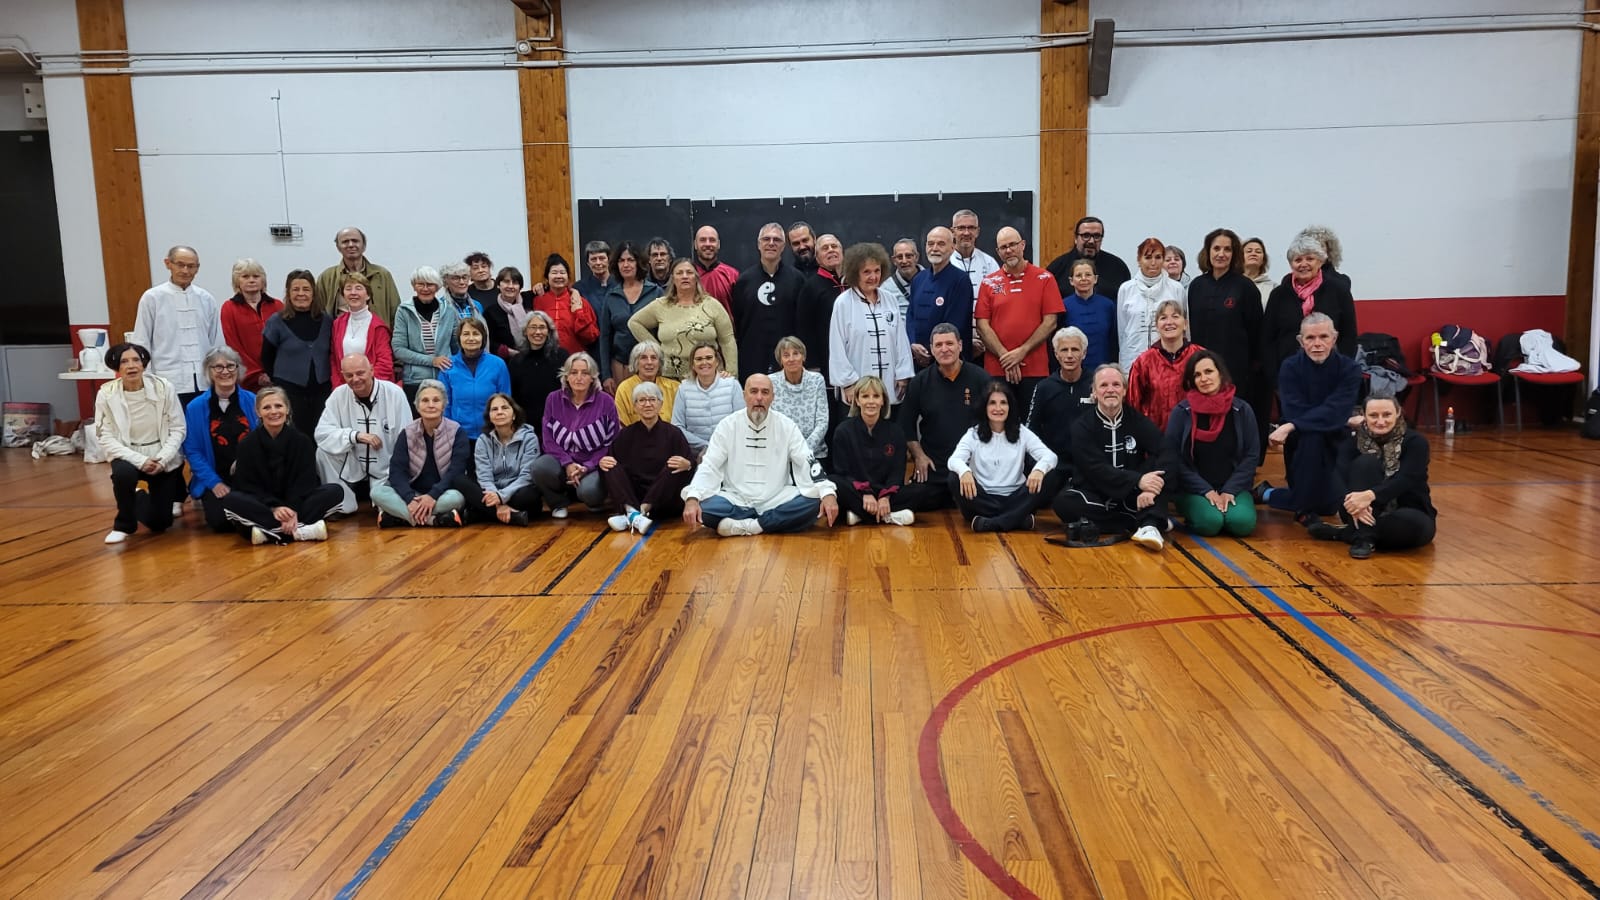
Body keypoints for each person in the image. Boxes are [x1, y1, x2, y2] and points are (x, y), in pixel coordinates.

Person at [681, 374, 840, 535]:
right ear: (744, 395)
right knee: (702, 506)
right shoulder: (727, 425)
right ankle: (771, 523)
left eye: (765, 392)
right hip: (736, 500)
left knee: (815, 502)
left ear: (772, 397)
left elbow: (807, 460)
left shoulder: (786, 425)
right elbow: (710, 465)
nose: (759, 398)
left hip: (777, 498)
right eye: (753, 391)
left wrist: (826, 491)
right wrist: (693, 498)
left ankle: (752, 526)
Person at [1253, 313, 1363, 526]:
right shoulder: (1290, 367)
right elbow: (1295, 410)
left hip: (1336, 439)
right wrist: (1338, 419)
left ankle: (1269, 493)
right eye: (1310, 338)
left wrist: (1291, 425)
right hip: (1302, 443)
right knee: (1313, 436)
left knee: (1329, 505)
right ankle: (1301, 507)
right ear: (1300, 341)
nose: (1317, 344)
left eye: (1323, 337)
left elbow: (1337, 409)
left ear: (1334, 338)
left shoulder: (1350, 369)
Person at [1053, 364, 1174, 551]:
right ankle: (1145, 520)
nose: (1110, 390)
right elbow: (1095, 469)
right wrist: (1138, 480)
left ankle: (1149, 526)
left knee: (1159, 476)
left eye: (1116, 385)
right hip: (1096, 492)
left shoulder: (1137, 420)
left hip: (1133, 493)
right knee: (1064, 503)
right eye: (1103, 385)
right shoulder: (1081, 426)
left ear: (1124, 391)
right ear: (1094, 392)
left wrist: (1149, 488)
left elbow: (1167, 450)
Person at [1309, 394, 1436, 559]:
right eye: (1374, 415)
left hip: (1408, 509)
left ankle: (1348, 534)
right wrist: (1356, 503)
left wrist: (1370, 496)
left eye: (1387, 415)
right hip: (1356, 511)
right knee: (1366, 463)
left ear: (1398, 413)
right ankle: (1363, 539)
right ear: (1364, 415)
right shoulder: (1351, 443)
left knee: (1412, 527)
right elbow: (1339, 479)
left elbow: (1407, 479)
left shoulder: (1416, 442)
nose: (1380, 421)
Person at [219, 386, 342, 543]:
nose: (273, 411)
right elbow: (247, 485)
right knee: (232, 499)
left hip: (297, 504)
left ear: (287, 409)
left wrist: (292, 509)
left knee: (335, 491)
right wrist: (274, 507)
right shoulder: (246, 445)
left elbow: (306, 482)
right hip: (264, 504)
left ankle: (269, 533)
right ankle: (300, 531)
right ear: (258, 412)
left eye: (278, 406)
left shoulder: (302, 441)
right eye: (266, 407)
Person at [96, 342, 186, 544]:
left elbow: (178, 428)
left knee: (160, 523)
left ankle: (137, 496)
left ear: (144, 364)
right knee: (123, 474)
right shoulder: (106, 393)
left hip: (160, 454)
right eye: (124, 361)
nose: (131, 366)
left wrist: (163, 458)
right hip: (127, 454)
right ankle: (124, 525)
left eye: (136, 360)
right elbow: (104, 436)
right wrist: (140, 460)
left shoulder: (164, 387)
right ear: (117, 367)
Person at [1188, 227, 1267, 458]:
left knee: (1233, 425)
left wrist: (1253, 368)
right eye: (1216, 248)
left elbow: (1256, 331)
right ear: (1207, 252)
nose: (1221, 254)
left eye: (1227, 249)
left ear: (1234, 255)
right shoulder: (1196, 286)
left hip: (1236, 371)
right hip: (1202, 370)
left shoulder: (1245, 287)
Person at [1164, 350, 1259, 537]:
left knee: (1242, 523)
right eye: (1197, 375)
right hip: (1193, 489)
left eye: (1209, 372)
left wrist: (1230, 490)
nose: (1204, 379)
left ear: (1220, 374)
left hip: (1233, 487)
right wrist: (1206, 490)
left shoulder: (1242, 410)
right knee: (1210, 523)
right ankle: (1201, 510)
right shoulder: (1181, 412)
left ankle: (1227, 508)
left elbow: (1251, 455)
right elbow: (1173, 457)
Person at [898, 323, 990, 511]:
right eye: (938, 345)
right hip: (934, 466)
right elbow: (906, 425)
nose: (944, 349)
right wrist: (919, 456)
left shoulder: (980, 378)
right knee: (911, 497)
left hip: (970, 465)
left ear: (960, 345)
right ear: (932, 349)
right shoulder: (920, 381)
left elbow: (995, 423)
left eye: (949, 343)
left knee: (987, 497)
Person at [948, 380, 1057, 533]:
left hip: (1015, 498)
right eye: (992, 403)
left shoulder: (1022, 432)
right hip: (983, 499)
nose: (998, 408)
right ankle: (1016, 519)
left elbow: (1050, 456)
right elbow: (954, 460)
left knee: (1049, 474)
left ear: (1009, 406)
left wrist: (1039, 470)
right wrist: (964, 472)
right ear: (985, 407)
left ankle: (993, 523)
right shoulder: (973, 434)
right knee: (954, 477)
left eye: (1003, 403)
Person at [314, 353, 414, 516]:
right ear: (342, 375)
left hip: (386, 466)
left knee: (388, 505)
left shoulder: (394, 393)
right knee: (323, 452)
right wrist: (355, 436)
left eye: (360, 373)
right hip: (353, 461)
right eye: (349, 375)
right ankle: (341, 504)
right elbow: (322, 434)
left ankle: (386, 505)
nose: (355, 379)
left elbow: (407, 438)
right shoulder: (338, 395)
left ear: (371, 370)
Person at [975, 227, 1065, 405]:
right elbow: (982, 326)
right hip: (997, 368)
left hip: (1035, 369)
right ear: (998, 252)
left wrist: (1021, 352)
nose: (1008, 250)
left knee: (1032, 420)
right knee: (998, 418)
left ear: (1022, 245)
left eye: (1012, 245)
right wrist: (1006, 357)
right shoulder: (988, 283)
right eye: (1003, 247)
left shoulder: (1045, 278)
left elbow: (1050, 322)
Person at [1262, 230, 1358, 385]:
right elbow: (1268, 339)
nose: (1303, 264)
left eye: (1310, 258)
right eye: (1298, 260)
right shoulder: (1279, 294)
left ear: (1320, 261)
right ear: (1291, 264)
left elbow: (1349, 335)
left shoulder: (1338, 290)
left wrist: (1342, 370)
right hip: (1289, 375)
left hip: (1331, 373)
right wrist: (1275, 377)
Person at [132, 245, 223, 407]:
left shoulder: (206, 298)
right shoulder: (152, 298)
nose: (185, 271)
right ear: (168, 264)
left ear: (197, 268)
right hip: (166, 380)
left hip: (203, 381)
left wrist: (219, 376)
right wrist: (145, 379)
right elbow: (141, 341)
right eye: (180, 265)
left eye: (191, 266)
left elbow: (214, 341)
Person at [600, 381, 696, 534]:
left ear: (660, 404)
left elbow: (691, 464)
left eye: (652, 399)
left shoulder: (673, 433)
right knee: (609, 465)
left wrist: (688, 464)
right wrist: (603, 462)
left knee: (675, 465)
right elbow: (612, 466)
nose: (647, 404)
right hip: (634, 495)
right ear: (635, 406)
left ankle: (638, 513)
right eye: (642, 400)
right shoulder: (625, 435)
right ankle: (632, 511)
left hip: (665, 499)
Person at [829, 242, 915, 409]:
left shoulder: (890, 299)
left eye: (877, 271)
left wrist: (903, 373)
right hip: (858, 388)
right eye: (866, 272)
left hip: (890, 386)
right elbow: (837, 346)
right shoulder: (843, 303)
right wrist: (848, 383)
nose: (873, 277)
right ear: (855, 273)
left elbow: (901, 340)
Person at [372, 380, 468, 528]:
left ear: (444, 405)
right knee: (377, 492)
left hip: (442, 494)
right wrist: (409, 499)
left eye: (436, 400)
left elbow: (456, 471)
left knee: (456, 498)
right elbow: (396, 472)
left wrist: (432, 495)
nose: (431, 405)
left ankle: (403, 517)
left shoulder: (457, 432)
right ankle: (431, 520)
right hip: (412, 494)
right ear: (417, 405)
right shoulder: (407, 433)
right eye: (425, 400)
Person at [533, 352, 618, 517]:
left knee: (589, 492)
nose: (579, 378)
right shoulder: (553, 399)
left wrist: (588, 466)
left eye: (584, 373)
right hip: (562, 462)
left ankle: (590, 499)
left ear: (592, 377)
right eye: (573, 372)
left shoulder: (606, 401)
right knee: (540, 467)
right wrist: (567, 463)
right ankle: (558, 503)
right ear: (566, 376)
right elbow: (548, 440)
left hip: (593, 464)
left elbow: (611, 442)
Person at [182, 347, 258, 532]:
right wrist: (214, 483)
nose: (225, 371)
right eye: (218, 367)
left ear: (238, 369)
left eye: (231, 366)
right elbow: (192, 451)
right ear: (209, 371)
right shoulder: (195, 407)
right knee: (220, 523)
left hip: (249, 475)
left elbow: (261, 442)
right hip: (215, 477)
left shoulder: (253, 401)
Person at [628, 257, 737, 382]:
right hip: (670, 379)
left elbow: (727, 340)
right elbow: (634, 323)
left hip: (708, 379)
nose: (685, 276)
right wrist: (658, 350)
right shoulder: (661, 305)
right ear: (673, 279)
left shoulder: (712, 305)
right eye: (679, 273)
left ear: (696, 278)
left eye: (689, 272)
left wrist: (731, 374)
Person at [829, 376, 914, 526]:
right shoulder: (843, 431)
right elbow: (842, 472)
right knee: (833, 482)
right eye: (865, 396)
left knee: (922, 491)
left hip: (885, 491)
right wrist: (865, 493)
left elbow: (897, 472)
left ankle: (861, 515)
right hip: (856, 491)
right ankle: (888, 517)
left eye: (876, 396)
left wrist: (885, 496)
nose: (871, 401)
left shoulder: (896, 432)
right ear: (857, 400)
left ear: (883, 401)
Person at [731, 223, 808, 382]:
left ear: (783, 246)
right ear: (759, 244)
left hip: (788, 361)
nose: (771, 243)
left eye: (777, 240)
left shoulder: (798, 280)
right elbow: (738, 322)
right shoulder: (744, 281)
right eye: (766, 239)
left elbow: (803, 322)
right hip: (752, 361)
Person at [260, 269, 332, 436]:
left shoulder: (327, 321)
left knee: (322, 435)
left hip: (322, 392)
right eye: (295, 289)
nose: (301, 294)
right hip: (289, 392)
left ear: (313, 293)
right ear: (288, 293)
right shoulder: (276, 321)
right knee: (296, 437)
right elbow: (266, 356)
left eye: (306, 289)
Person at [1027, 327, 1095, 478]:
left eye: (1075, 349)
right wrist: (1038, 464)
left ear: (1084, 353)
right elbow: (1031, 430)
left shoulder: (1096, 384)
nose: (1069, 355)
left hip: (1090, 464)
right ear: (1056, 354)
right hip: (1054, 465)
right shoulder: (1044, 387)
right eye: (1064, 350)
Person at [465, 392, 541, 526]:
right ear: (490, 417)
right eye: (494, 409)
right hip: (492, 492)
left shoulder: (529, 438)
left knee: (530, 494)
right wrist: (498, 501)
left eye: (504, 408)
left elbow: (526, 476)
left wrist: (502, 497)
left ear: (514, 415)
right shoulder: (483, 440)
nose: (499, 412)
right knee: (460, 480)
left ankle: (481, 514)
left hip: (517, 491)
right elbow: (484, 477)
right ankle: (512, 516)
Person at [1127, 300, 1203, 430]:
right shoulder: (1144, 362)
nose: (1169, 322)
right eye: (1163, 318)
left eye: (1175, 316)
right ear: (1157, 326)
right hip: (1155, 434)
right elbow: (1133, 404)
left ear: (1185, 324)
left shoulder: (1200, 357)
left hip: (1194, 432)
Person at [598, 241, 664, 388]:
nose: (626, 265)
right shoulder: (611, 296)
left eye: (630, 260)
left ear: (639, 263)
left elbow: (664, 331)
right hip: (620, 366)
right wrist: (606, 375)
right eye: (621, 261)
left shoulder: (656, 292)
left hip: (651, 365)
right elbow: (605, 337)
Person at [392, 266, 462, 403]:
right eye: (420, 284)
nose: (425, 289)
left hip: (445, 378)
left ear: (437, 287)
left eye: (430, 284)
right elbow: (399, 350)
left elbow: (457, 347)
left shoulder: (449, 311)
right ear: (414, 286)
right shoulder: (403, 311)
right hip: (414, 381)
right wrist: (432, 361)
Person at [905, 226, 973, 367]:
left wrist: (931, 350)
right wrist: (912, 344)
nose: (934, 248)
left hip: (947, 360)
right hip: (917, 358)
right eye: (930, 244)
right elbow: (910, 316)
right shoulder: (918, 279)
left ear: (952, 248)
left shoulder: (960, 280)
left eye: (941, 244)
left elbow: (956, 324)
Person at [1117, 237, 1186, 374]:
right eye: (1148, 257)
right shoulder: (1126, 289)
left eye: (1158, 257)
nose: (1153, 263)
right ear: (1139, 260)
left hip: (1169, 360)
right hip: (1133, 360)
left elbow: (1183, 328)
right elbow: (1122, 331)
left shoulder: (1176, 289)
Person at [438, 317, 511, 439]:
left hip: (492, 434)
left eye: (476, 334)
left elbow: (505, 399)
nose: (471, 338)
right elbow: (445, 404)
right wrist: (449, 432)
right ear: (459, 338)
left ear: (483, 338)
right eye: (466, 334)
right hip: (459, 435)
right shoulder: (448, 366)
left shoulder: (498, 364)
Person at [219, 258, 282, 389]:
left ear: (263, 280)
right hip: (249, 380)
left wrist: (276, 372)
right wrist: (257, 375)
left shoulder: (277, 306)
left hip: (280, 376)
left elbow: (286, 342)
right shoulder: (229, 308)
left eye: (256, 276)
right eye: (245, 276)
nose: (251, 280)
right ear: (237, 281)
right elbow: (234, 346)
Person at [316, 227, 402, 324]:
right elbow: (318, 313)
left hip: (377, 332)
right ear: (338, 247)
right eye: (345, 242)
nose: (351, 245)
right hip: (340, 332)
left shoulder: (382, 275)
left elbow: (396, 313)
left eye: (355, 241)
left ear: (364, 246)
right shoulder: (327, 277)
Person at [671, 342, 742, 455]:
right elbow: (677, 426)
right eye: (699, 359)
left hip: (729, 450)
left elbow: (741, 421)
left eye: (709, 358)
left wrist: (722, 446)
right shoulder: (683, 388)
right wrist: (706, 445)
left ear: (717, 361)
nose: (704, 362)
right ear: (692, 365)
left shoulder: (732, 385)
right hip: (695, 452)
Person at [770, 336, 829, 467]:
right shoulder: (771, 382)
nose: (791, 359)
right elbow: (770, 422)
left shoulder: (817, 380)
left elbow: (822, 421)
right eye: (786, 355)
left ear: (803, 356)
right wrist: (789, 451)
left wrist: (803, 450)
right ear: (780, 360)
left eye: (796, 353)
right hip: (781, 453)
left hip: (814, 453)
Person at [949, 209, 1000, 356]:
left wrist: (986, 339)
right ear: (953, 231)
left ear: (977, 232)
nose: (966, 233)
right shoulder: (945, 264)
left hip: (986, 343)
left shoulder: (989, 263)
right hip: (953, 345)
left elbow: (998, 304)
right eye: (961, 228)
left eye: (971, 228)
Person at [1046, 216, 1132, 303]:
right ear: (1076, 238)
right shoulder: (1057, 268)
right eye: (1086, 236)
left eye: (1097, 236)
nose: (1091, 241)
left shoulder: (1118, 267)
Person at [330, 273, 396, 386]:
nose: (353, 292)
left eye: (358, 288)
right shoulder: (337, 324)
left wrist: (364, 386)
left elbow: (385, 364)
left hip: (372, 387)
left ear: (368, 295)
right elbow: (334, 360)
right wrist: (340, 387)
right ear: (343, 295)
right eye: (348, 288)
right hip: (344, 388)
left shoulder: (378, 327)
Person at [532, 254, 599, 356]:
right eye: (554, 273)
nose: (559, 276)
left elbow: (591, 337)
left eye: (562, 273)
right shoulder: (538, 301)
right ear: (547, 277)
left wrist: (578, 312)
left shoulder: (580, 301)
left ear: (568, 277)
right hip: (545, 358)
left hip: (574, 359)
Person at [508, 311, 568, 427]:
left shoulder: (562, 357)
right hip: (526, 427)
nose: (538, 332)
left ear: (549, 331)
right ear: (525, 332)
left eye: (542, 327)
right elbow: (513, 398)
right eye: (533, 327)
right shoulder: (516, 362)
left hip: (558, 424)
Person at [798, 233, 845, 375]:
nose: (831, 250)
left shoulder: (855, 281)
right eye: (825, 248)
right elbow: (805, 329)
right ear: (817, 259)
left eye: (834, 246)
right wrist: (812, 365)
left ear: (842, 252)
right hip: (826, 360)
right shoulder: (810, 287)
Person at [1060, 258, 1117, 371]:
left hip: (1103, 368)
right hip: (1074, 370)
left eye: (1088, 275)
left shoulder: (1108, 305)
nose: (1083, 279)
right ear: (1071, 281)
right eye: (1078, 275)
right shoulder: (1063, 306)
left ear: (1095, 279)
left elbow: (1114, 339)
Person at [614, 340, 680, 426]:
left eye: (653, 358)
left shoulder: (674, 387)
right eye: (644, 358)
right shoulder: (624, 389)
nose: (649, 362)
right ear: (636, 363)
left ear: (660, 363)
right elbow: (622, 425)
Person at [482, 266, 534, 360]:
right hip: (505, 361)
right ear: (498, 285)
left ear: (520, 287)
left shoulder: (529, 301)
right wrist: (508, 352)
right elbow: (489, 341)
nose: (510, 286)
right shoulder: (490, 312)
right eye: (506, 282)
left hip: (532, 358)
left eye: (515, 283)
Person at [692, 225, 739, 318]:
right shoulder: (687, 276)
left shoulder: (732, 275)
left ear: (718, 244)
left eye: (712, 240)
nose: (708, 244)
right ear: (695, 245)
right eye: (702, 240)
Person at [885, 238, 921, 320]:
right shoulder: (886, 289)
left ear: (916, 257)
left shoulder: (933, 281)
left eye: (908, 256)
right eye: (900, 257)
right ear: (894, 260)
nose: (904, 261)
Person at [1241, 237, 1274, 310]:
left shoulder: (1273, 287)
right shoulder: (1232, 285)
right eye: (1249, 251)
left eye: (1258, 252)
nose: (1253, 254)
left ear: (1263, 260)